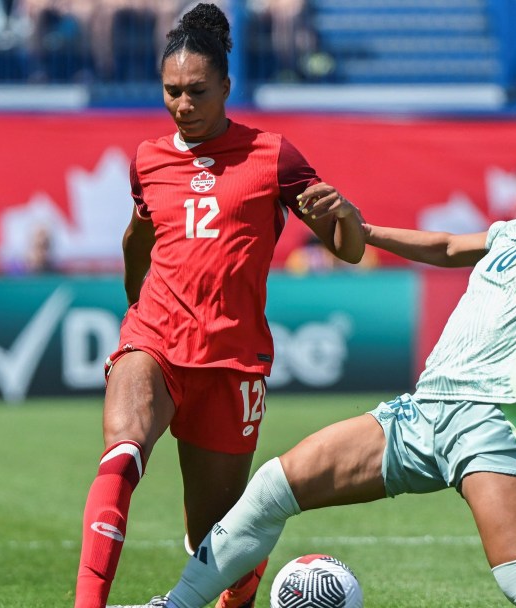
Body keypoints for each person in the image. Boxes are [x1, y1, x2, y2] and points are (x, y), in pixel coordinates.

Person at [114, 18, 516, 608]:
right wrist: (364, 227)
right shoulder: (512, 233)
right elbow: (443, 247)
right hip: (420, 414)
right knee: (273, 488)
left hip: (488, 423)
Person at [72, 4, 366, 608]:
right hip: (154, 338)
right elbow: (138, 239)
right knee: (122, 453)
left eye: (197, 91)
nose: (183, 104)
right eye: (172, 92)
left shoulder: (274, 156)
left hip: (232, 359)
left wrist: (345, 216)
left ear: (227, 87)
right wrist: (136, 312)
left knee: (217, 542)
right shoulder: (148, 159)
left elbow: (347, 249)